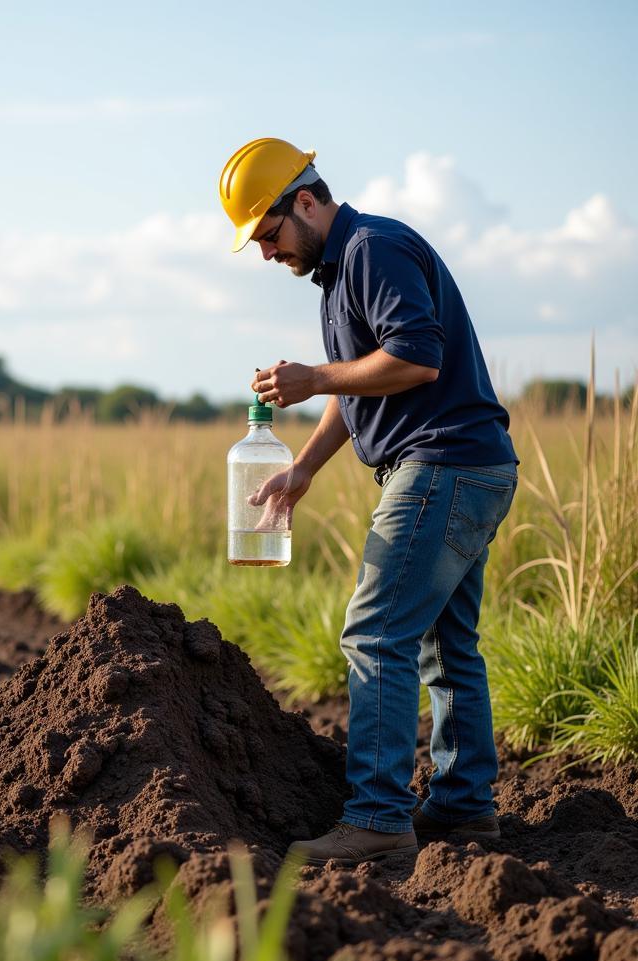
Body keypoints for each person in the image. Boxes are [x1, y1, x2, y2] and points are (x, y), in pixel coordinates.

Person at [218, 138, 519, 867]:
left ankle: (379, 818)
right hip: (472, 468)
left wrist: (315, 377)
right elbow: (361, 386)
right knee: (447, 646)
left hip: (442, 467)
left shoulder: (371, 251)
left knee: (374, 633)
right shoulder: (340, 271)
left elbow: (416, 360)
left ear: (308, 201)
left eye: (268, 233)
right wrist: (305, 471)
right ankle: (463, 804)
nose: (265, 253)